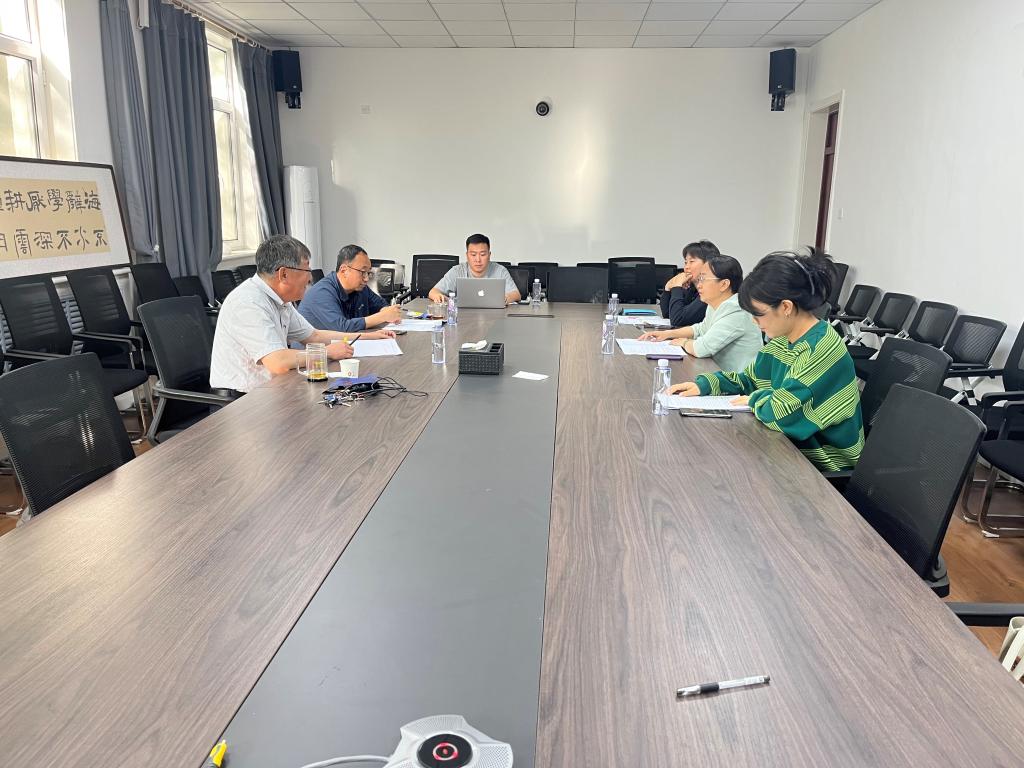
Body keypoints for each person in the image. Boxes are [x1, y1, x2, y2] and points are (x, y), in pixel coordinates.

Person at [667, 250, 864, 473]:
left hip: (821, 465)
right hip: (787, 447)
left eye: (758, 314)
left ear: (786, 307)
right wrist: (705, 385)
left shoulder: (821, 348)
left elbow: (782, 411)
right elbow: (750, 380)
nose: (754, 321)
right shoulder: (783, 339)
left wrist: (754, 399)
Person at [210, 235, 359, 393]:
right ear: (284, 274)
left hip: (274, 389)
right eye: (306, 270)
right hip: (243, 400)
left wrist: (368, 336)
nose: (310, 278)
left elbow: (314, 336)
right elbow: (278, 362)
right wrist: (327, 352)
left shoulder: (280, 299)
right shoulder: (248, 302)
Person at [638, 255, 762, 373]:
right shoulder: (716, 304)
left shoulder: (736, 310)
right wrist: (667, 334)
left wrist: (684, 342)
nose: (699, 285)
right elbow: (700, 329)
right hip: (718, 374)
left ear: (724, 284)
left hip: (740, 383)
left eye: (703, 279)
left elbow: (702, 349)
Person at [298, 244, 403, 333]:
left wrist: (388, 312)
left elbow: (381, 304)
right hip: (315, 350)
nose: (366, 278)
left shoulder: (360, 288)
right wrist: (382, 316)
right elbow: (342, 328)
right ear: (344, 270)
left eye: (368, 273)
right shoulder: (322, 292)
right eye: (363, 272)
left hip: (347, 345)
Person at [428, 234, 521, 305]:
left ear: (489, 255)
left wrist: (506, 298)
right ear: (467, 255)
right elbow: (433, 292)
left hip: (494, 317)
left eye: (482, 254)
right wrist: (437, 296)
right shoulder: (457, 271)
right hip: (463, 317)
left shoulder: (500, 270)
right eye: (473, 254)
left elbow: (516, 294)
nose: (478, 259)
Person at [660, 239, 720, 328]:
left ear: (708, 264)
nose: (686, 267)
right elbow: (668, 314)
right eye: (685, 262)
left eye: (691, 262)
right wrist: (668, 288)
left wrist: (677, 287)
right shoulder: (692, 288)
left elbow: (677, 320)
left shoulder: (711, 291)